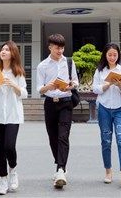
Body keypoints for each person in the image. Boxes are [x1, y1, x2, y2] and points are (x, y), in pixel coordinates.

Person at [37, 33, 79, 189]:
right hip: (50, 103)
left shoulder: (69, 62)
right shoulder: (42, 65)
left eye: (62, 48)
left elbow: (75, 81)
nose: (60, 51)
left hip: (66, 102)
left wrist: (70, 86)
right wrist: (48, 86)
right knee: (53, 137)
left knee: (63, 136)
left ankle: (60, 169)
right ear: (50, 47)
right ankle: (60, 164)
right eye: (57, 48)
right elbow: (39, 88)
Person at [0, 41, 27, 195]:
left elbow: (24, 94)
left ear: (13, 53)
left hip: (13, 115)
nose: (3, 52)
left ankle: (13, 170)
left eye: (7, 50)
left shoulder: (18, 73)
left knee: (9, 146)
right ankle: (3, 180)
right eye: (2, 49)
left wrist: (14, 85)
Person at [92, 43, 121, 187]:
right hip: (104, 108)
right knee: (106, 140)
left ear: (118, 55)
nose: (112, 57)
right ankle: (108, 171)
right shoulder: (100, 71)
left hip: (120, 108)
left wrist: (120, 84)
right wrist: (108, 84)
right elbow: (95, 89)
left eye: (115, 54)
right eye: (110, 54)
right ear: (105, 55)